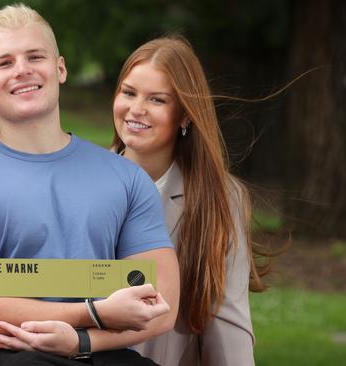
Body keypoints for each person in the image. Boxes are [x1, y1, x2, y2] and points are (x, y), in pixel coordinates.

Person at [0, 4, 180, 366]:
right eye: (4, 62)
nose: (22, 70)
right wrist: (93, 313)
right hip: (8, 354)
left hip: (103, 353)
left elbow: (162, 306)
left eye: (34, 56)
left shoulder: (126, 178)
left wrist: (80, 342)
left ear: (60, 68)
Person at [110, 36, 270, 365]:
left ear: (184, 115)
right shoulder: (77, 180)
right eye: (128, 92)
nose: (136, 109)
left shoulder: (221, 198)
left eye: (156, 99)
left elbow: (228, 325)